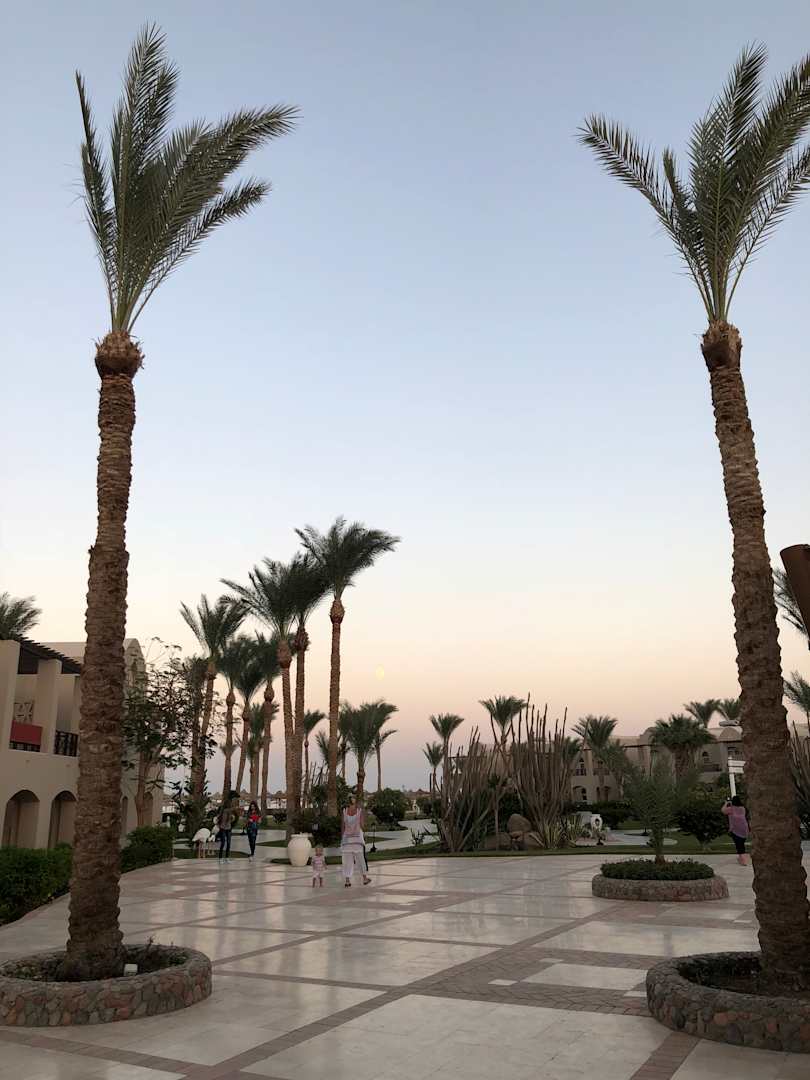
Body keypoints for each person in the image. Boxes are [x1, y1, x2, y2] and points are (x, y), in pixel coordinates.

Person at [341, 795, 371, 887]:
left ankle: (347, 881)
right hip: (357, 839)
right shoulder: (359, 811)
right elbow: (362, 825)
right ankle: (364, 879)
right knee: (360, 860)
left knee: (347, 861)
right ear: (356, 802)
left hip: (347, 840)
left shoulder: (344, 811)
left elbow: (342, 826)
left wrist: (342, 838)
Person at [722, 795, 749, 865]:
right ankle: (741, 858)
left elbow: (723, 810)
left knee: (739, 845)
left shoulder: (731, 809)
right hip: (744, 828)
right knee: (741, 844)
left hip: (735, 830)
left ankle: (744, 860)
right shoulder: (743, 808)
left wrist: (726, 803)